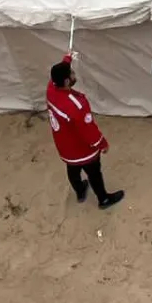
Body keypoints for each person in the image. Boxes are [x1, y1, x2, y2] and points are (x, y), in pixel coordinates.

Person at [46, 54, 125, 209]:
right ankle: (103, 199)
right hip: (82, 150)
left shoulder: (51, 89)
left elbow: (58, 73)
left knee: (72, 169)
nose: (74, 74)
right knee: (94, 173)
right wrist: (102, 144)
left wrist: (67, 59)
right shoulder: (77, 105)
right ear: (67, 81)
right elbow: (88, 130)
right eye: (72, 73)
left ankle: (80, 190)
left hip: (65, 148)